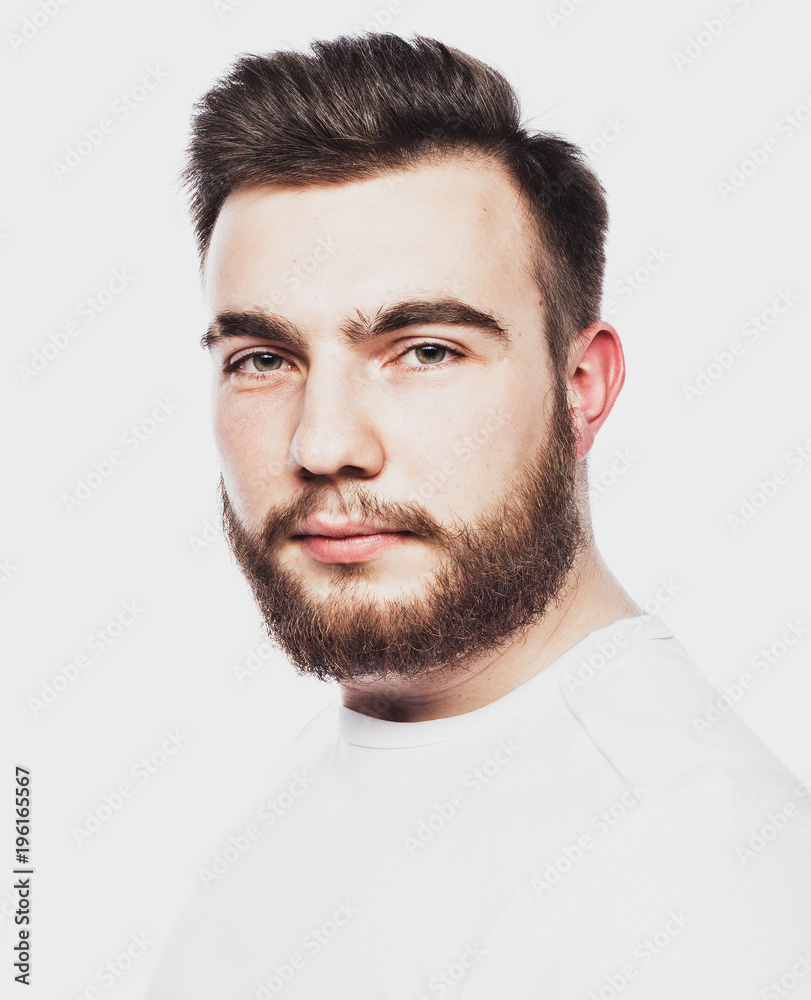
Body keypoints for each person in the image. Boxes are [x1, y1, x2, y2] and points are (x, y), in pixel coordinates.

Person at [146, 32, 811, 999]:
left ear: (581, 386)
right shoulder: (357, 738)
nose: (322, 443)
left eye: (423, 351)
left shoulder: (687, 887)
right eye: (263, 358)